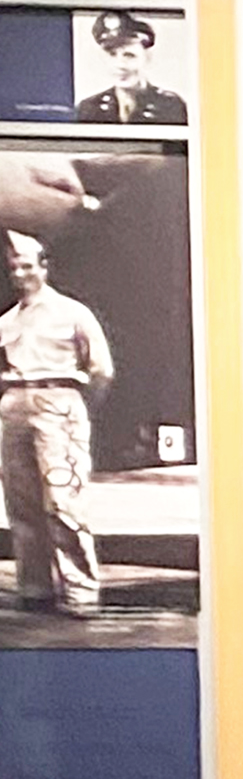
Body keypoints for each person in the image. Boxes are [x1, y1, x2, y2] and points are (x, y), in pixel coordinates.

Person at [0, 230, 112, 617]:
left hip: (59, 401)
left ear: (44, 268)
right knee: (21, 504)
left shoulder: (73, 313)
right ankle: (35, 588)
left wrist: (76, 409)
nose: (20, 274)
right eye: (14, 267)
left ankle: (80, 589)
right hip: (15, 404)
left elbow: (100, 369)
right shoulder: (7, 321)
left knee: (63, 500)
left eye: (27, 266)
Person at [74, 11, 187, 126]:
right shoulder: (89, 109)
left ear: (147, 58)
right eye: (112, 55)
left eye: (129, 55)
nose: (120, 65)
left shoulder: (169, 106)